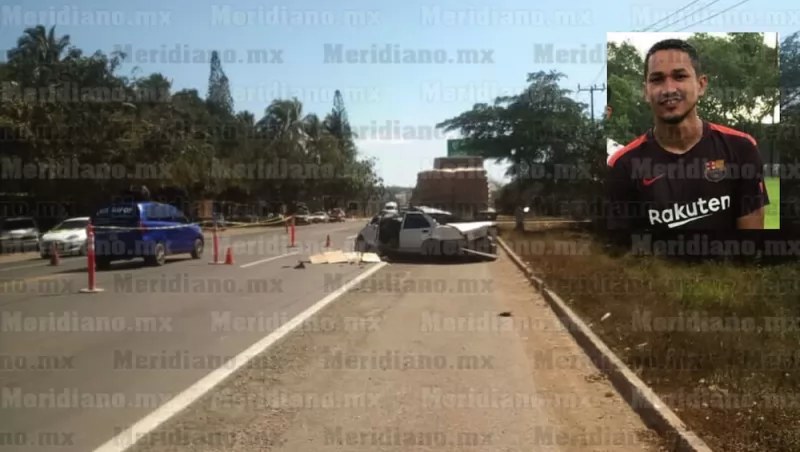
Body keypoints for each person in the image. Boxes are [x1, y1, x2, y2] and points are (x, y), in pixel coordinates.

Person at [606, 39, 769, 230]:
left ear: (701, 85)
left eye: (680, 76)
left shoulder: (740, 148)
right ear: (646, 91)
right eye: (657, 79)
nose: (668, 89)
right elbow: (623, 247)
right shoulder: (622, 165)